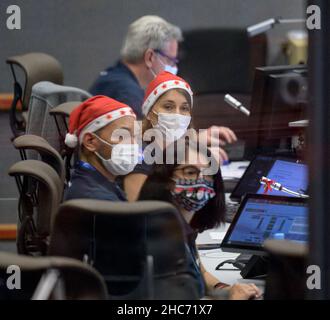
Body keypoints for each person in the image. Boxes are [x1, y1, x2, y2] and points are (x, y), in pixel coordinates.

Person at [138, 143, 262, 300]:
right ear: (167, 180)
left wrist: (226, 289)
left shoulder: (182, 226)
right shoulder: (160, 235)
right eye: (190, 172)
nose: (201, 180)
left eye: (208, 173)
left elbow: (200, 272)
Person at [123, 71, 237, 202]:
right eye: (168, 107)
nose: (177, 115)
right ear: (149, 113)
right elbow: (138, 213)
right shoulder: (140, 156)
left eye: (184, 108)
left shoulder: (177, 150)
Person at [89, 15, 182, 118]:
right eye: (170, 60)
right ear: (150, 57)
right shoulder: (129, 97)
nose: (173, 66)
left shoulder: (111, 78)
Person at [63, 95, 139, 201]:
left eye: (134, 136)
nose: (133, 144)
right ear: (90, 142)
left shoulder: (97, 181)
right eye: (121, 136)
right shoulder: (100, 202)